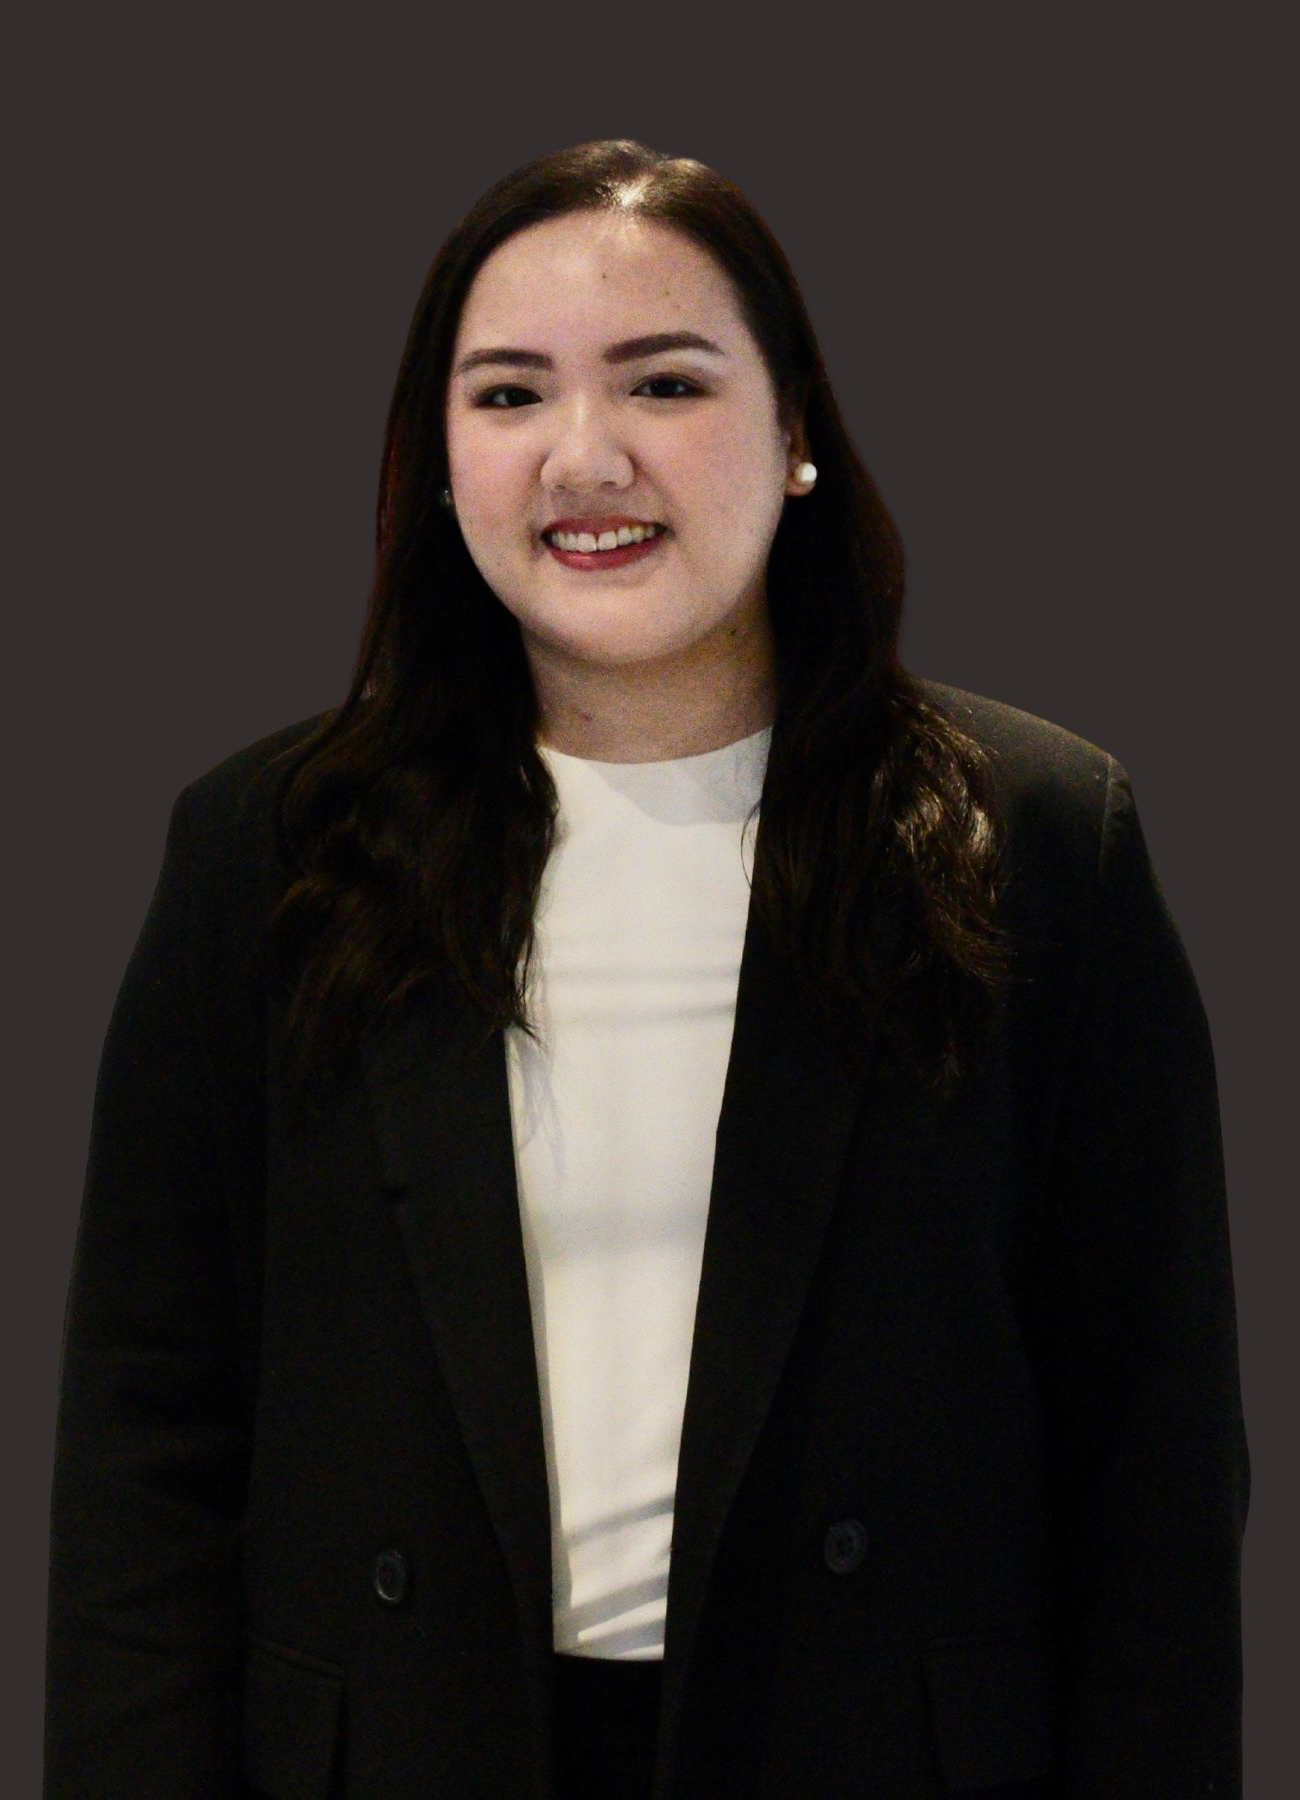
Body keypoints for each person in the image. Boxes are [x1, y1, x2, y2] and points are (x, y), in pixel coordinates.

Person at [44, 138, 1249, 1798]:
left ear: (797, 428)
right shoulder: (270, 849)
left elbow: (1154, 1456)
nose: (583, 457)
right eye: (509, 394)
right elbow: (148, 1442)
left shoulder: (1033, 839)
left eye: (664, 382)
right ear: (439, 457)